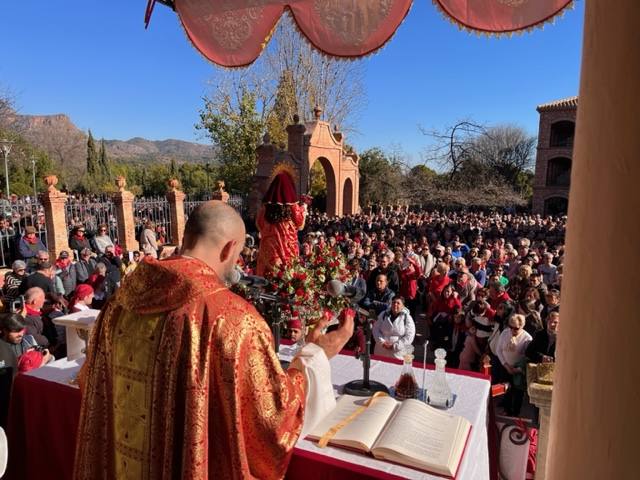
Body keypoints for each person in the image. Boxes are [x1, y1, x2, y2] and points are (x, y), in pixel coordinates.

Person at [74, 200, 354, 480]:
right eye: (239, 253)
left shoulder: (117, 306)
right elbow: (272, 423)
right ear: (230, 248)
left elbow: (92, 384)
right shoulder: (232, 319)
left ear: (186, 237)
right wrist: (315, 356)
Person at [255, 173, 308, 276]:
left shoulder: (265, 208)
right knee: (286, 278)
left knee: (268, 278)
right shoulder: (293, 207)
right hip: (288, 248)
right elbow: (300, 225)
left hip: (269, 248)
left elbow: (259, 225)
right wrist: (304, 209)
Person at [495, 313, 532, 416]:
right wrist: (506, 365)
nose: (512, 330)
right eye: (510, 327)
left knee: (518, 393)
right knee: (506, 390)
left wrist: (518, 369)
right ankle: (506, 410)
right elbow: (498, 350)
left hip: (518, 370)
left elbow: (527, 357)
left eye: (515, 328)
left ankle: (515, 414)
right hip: (505, 367)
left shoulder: (527, 338)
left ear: (522, 326)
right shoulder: (505, 333)